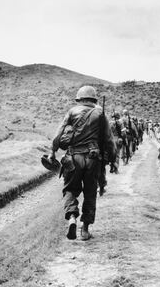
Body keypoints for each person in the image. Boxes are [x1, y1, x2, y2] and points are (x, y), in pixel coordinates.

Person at [49, 86, 116, 240]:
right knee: (90, 192)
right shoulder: (100, 113)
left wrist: (52, 151)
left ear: (79, 99)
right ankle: (84, 229)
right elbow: (109, 140)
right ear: (94, 99)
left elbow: (59, 132)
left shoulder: (72, 111)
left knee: (70, 189)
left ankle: (72, 216)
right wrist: (112, 160)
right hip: (93, 159)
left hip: (73, 158)